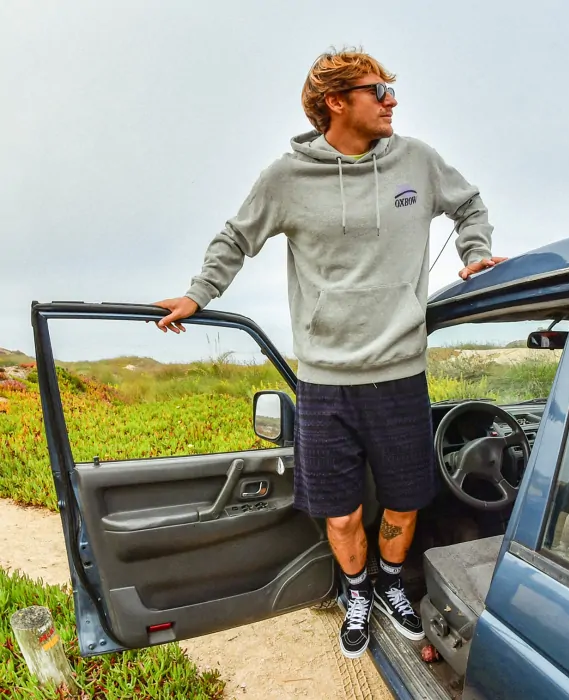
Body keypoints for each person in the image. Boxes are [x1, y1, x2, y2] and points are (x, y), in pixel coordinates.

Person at [152, 48, 506, 659]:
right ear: (336, 102)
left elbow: (468, 204)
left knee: (404, 505)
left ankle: (391, 583)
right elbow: (237, 237)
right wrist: (198, 294)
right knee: (340, 516)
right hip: (324, 383)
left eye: (392, 88)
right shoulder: (287, 178)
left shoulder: (417, 161)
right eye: (378, 91)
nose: (393, 100)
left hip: (401, 375)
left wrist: (475, 251)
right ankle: (357, 590)